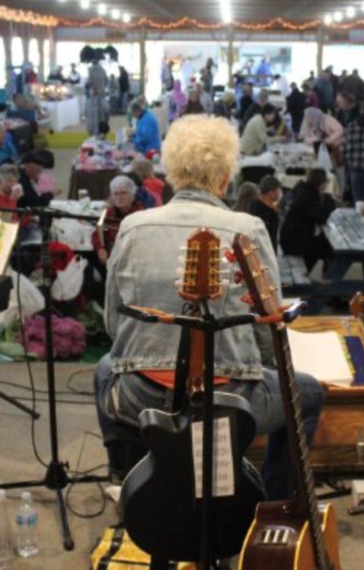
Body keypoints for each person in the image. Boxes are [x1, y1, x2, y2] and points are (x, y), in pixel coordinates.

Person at [94, 115, 325, 498]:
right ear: (224, 177)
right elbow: (267, 339)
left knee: (105, 369)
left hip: (141, 395)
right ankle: (275, 500)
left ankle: (128, 480)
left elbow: (114, 326)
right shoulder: (248, 228)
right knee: (311, 391)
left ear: (171, 172)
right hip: (230, 398)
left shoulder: (133, 227)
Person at [280, 168, 337, 272]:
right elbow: (321, 218)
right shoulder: (309, 195)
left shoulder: (302, 189)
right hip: (294, 241)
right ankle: (327, 279)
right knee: (329, 250)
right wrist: (330, 202)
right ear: (321, 183)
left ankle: (317, 275)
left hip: (289, 237)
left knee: (325, 244)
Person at [93, 175, 145, 266]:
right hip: (113, 258)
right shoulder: (109, 212)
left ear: (131, 195)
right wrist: (100, 248)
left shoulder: (140, 214)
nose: (119, 197)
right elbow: (97, 232)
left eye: (123, 193)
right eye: (115, 194)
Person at [250, 175, 282, 252]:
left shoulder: (271, 209)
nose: (280, 193)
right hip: (262, 253)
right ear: (271, 192)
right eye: (278, 190)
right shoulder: (259, 210)